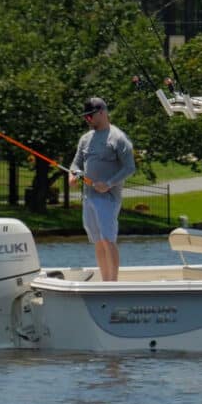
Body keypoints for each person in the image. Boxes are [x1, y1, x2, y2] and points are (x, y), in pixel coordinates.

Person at [69, 97, 135, 281]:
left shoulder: (119, 138)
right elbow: (76, 163)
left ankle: (112, 282)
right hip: (88, 197)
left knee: (108, 239)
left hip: (108, 198)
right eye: (85, 117)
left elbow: (129, 168)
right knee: (97, 240)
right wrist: (73, 174)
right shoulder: (85, 139)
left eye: (90, 116)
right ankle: (105, 280)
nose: (87, 120)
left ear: (102, 113)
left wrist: (109, 183)